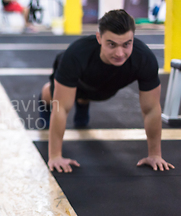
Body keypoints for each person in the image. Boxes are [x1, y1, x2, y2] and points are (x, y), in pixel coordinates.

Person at [38, 9, 174, 173]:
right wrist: (55, 156)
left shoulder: (144, 59)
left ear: (133, 38)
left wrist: (155, 155)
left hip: (106, 86)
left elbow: (151, 109)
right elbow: (61, 109)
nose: (119, 53)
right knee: (53, 97)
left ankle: (83, 102)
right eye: (111, 44)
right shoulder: (75, 55)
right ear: (98, 38)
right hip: (78, 78)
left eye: (126, 44)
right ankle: (55, 99)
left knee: (95, 94)